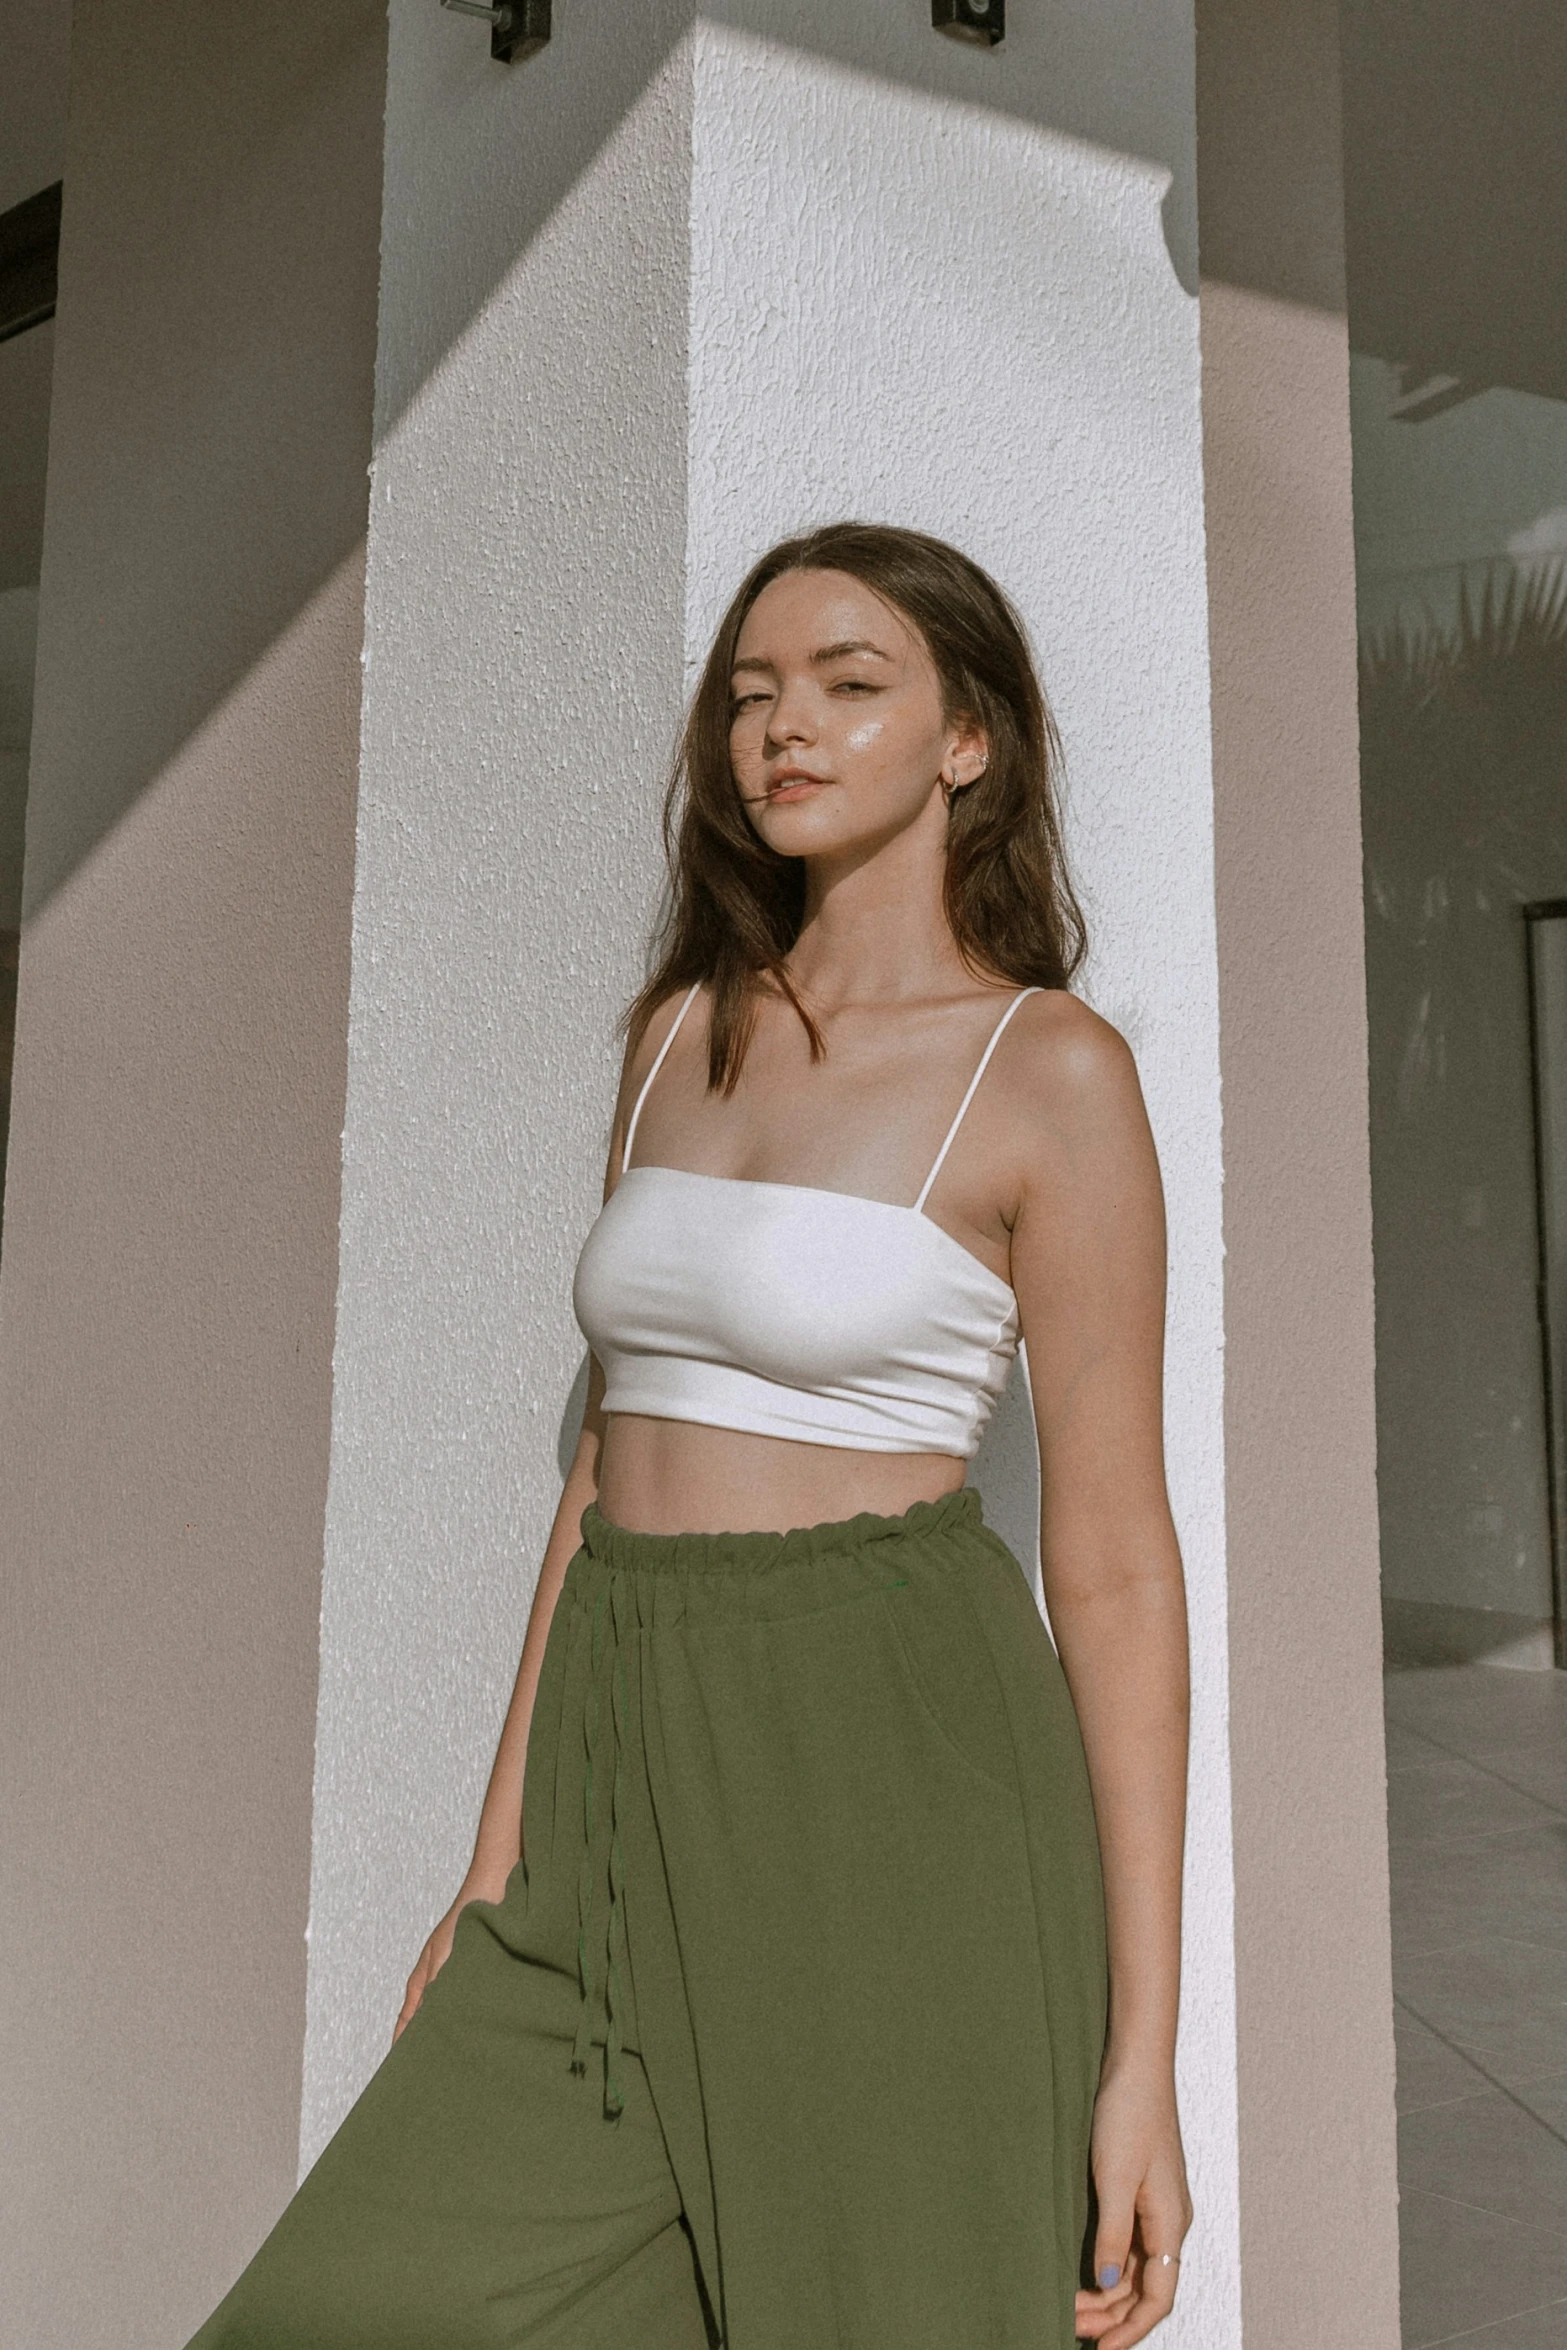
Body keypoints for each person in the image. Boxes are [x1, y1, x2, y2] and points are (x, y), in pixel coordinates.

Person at [187, 522, 1191, 2350]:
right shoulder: (672, 1038)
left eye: (845, 683)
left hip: (891, 1762)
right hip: (619, 1767)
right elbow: (600, 1473)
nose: (780, 728)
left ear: (970, 738)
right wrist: (495, 1877)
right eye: (749, 694)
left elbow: (1114, 1565)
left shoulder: (1046, 1070)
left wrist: (1143, 2052)